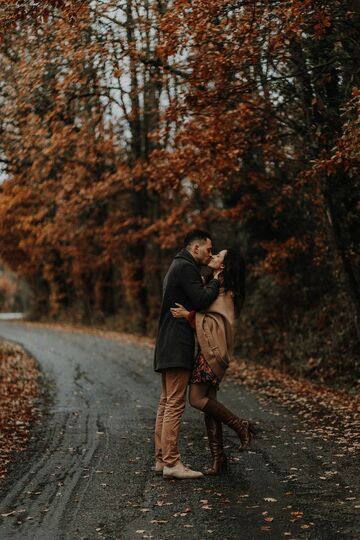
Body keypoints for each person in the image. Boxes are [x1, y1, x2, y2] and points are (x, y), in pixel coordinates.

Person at [171, 248, 254, 475]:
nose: (213, 256)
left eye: (218, 255)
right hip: (209, 350)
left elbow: (213, 322)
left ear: (224, 266)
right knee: (210, 403)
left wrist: (188, 315)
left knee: (196, 399)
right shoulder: (216, 286)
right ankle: (219, 459)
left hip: (213, 353)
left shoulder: (225, 292)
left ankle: (240, 425)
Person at [154, 230, 221, 479]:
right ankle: (172, 463)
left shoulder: (177, 265)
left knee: (166, 401)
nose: (210, 253)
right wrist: (216, 278)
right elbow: (202, 299)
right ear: (195, 249)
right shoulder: (185, 268)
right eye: (208, 249)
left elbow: (192, 298)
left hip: (166, 342)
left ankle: (162, 459)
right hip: (176, 343)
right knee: (174, 403)